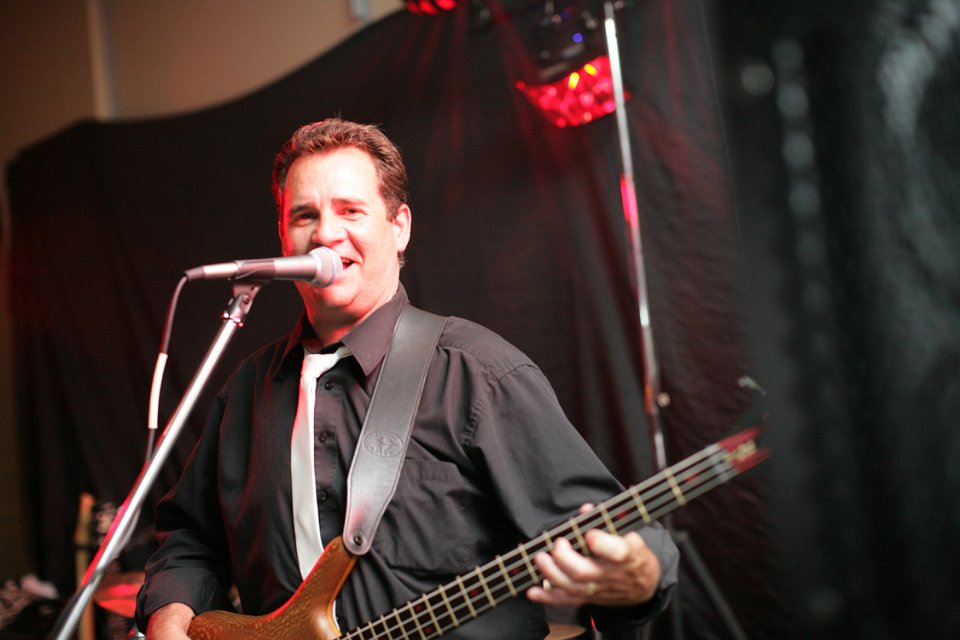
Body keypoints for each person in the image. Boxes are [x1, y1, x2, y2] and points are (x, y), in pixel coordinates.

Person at [135, 118, 679, 639]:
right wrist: (169, 614)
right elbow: (189, 539)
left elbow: (613, 535)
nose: (325, 233)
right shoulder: (248, 391)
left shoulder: (478, 375)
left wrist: (641, 574)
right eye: (304, 216)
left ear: (399, 227)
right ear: (283, 236)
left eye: (350, 210)